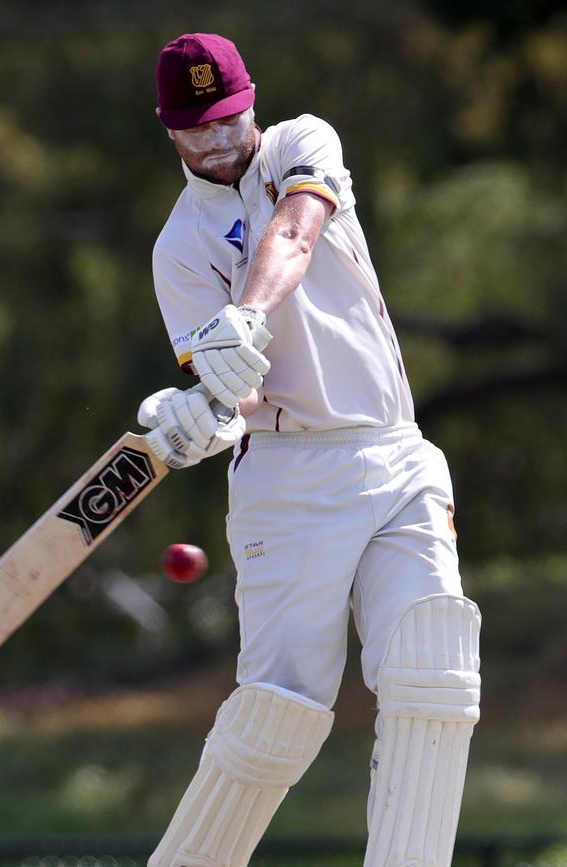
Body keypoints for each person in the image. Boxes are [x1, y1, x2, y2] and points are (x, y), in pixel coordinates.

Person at [138, 31, 481, 867]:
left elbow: (293, 234)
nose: (218, 139)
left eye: (227, 115)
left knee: (433, 670)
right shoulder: (179, 248)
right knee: (279, 713)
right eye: (196, 127)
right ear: (168, 130)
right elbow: (242, 396)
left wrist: (245, 317)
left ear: (250, 99)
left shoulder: (300, 141)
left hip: (395, 451)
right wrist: (199, 415)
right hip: (288, 482)